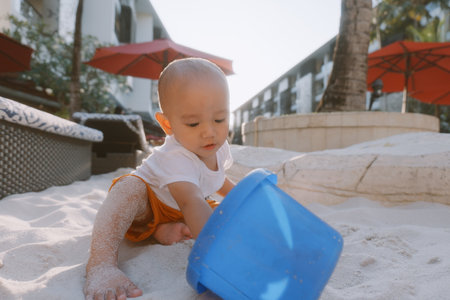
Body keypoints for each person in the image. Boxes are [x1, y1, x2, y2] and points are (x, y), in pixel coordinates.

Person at [84, 58, 235, 300]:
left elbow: (218, 179)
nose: (210, 131)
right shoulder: (176, 156)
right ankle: (101, 264)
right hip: (149, 205)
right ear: (167, 124)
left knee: (227, 215)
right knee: (128, 187)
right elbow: (190, 201)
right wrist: (220, 255)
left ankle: (161, 231)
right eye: (194, 123)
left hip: (181, 208)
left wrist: (242, 199)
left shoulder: (219, 146)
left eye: (219, 119)